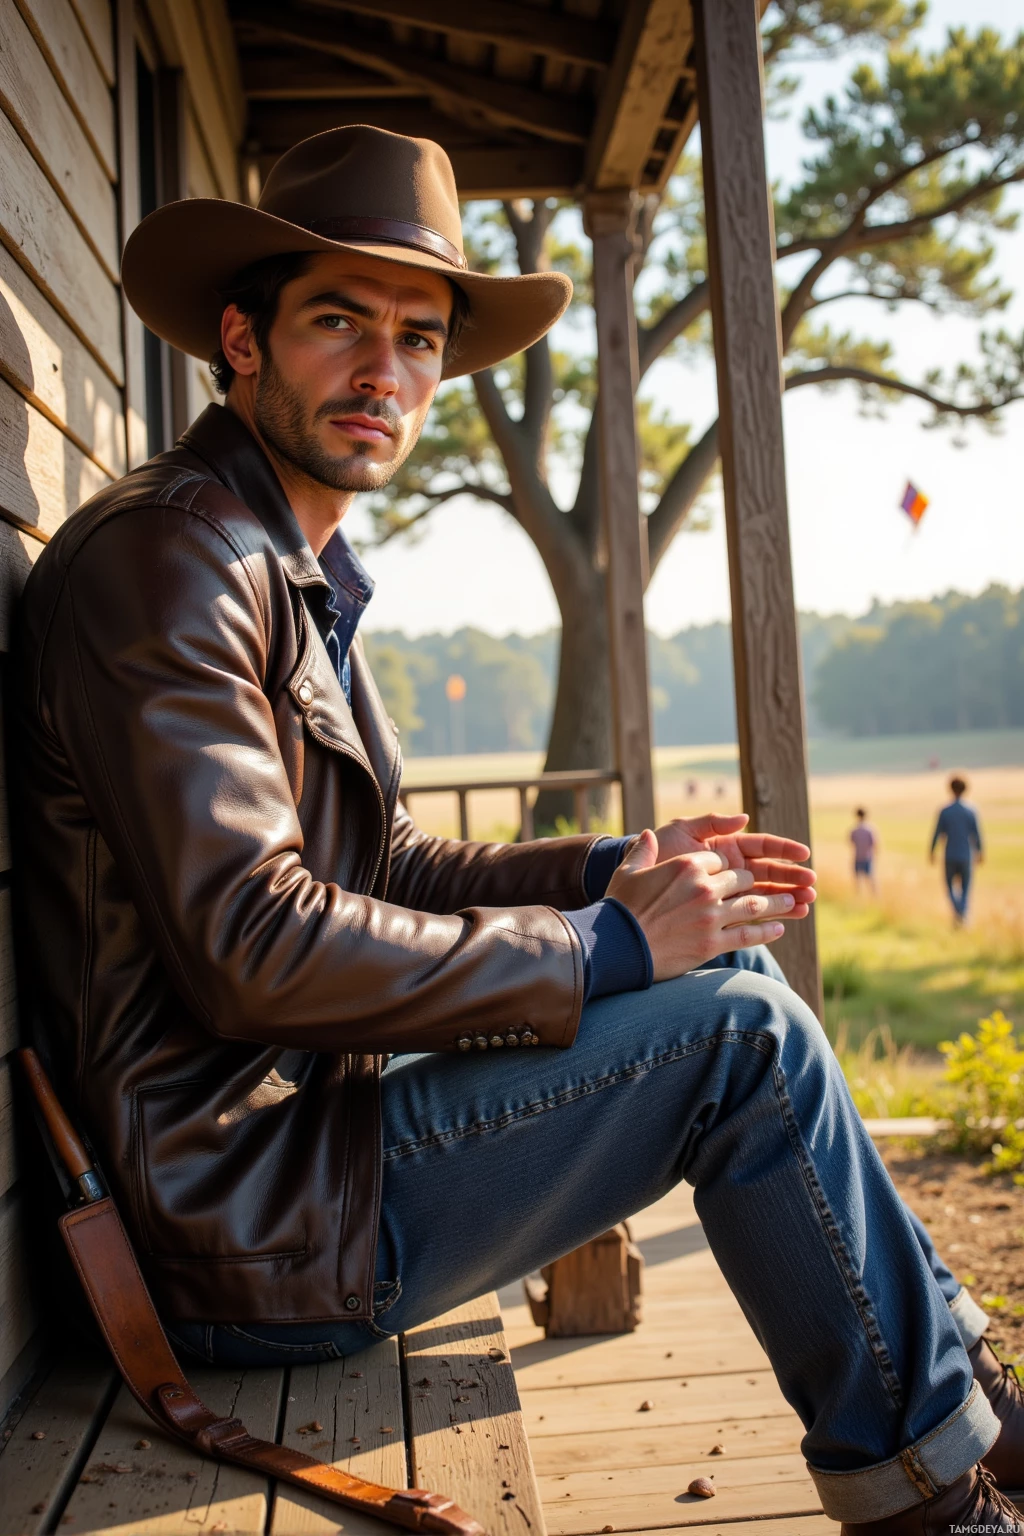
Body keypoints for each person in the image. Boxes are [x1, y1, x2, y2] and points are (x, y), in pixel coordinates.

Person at [10, 128, 1022, 1535]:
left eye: (419, 339)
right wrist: (604, 943)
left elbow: (388, 865)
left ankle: (975, 1412)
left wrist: (620, 870)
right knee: (740, 1035)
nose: (386, 373)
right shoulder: (170, 564)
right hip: (237, 1225)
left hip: (302, 1161)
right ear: (240, 339)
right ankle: (942, 1501)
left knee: (723, 980)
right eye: (337, 324)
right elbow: (252, 945)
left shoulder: (283, 562)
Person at [930, 776, 984, 925]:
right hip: (966, 855)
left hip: (950, 855)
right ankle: (962, 914)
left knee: (950, 887)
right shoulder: (971, 810)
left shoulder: (945, 811)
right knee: (966, 888)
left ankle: (958, 913)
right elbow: (977, 833)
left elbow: (937, 833)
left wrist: (932, 851)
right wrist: (980, 852)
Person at [850, 807, 878, 893]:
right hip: (867, 857)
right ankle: (874, 897)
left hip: (857, 857)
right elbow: (875, 844)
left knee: (858, 881)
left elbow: (851, 842)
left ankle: (859, 896)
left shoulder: (854, 830)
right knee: (871, 879)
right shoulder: (870, 829)